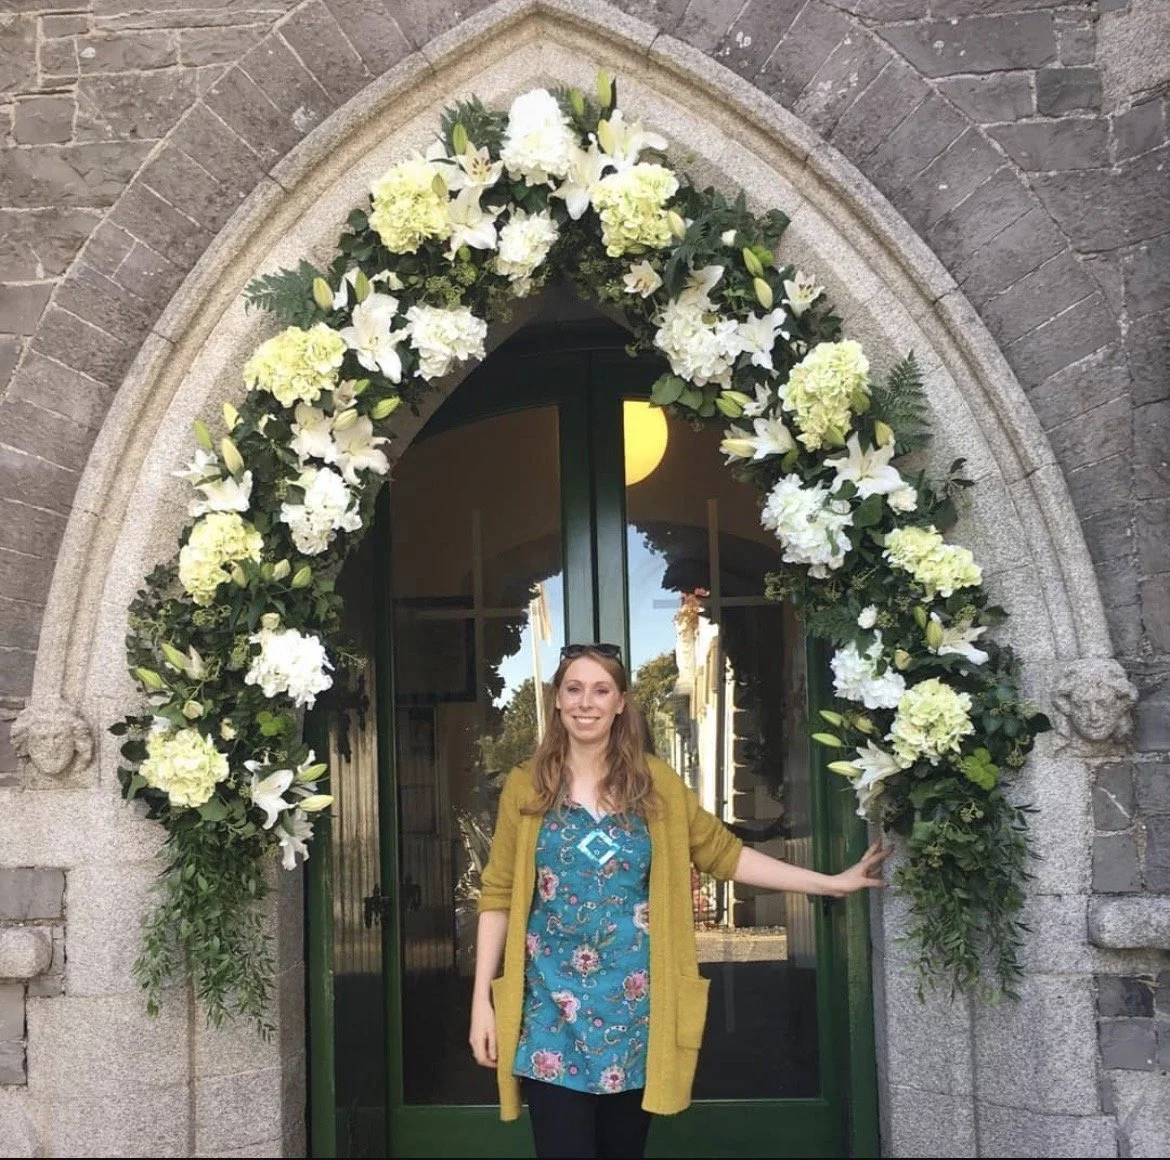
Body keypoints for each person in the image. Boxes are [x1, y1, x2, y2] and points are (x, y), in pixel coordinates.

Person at [469, 643, 890, 1159]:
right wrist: (481, 1004)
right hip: (548, 1014)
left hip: (637, 1014)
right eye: (574, 689)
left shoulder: (655, 786)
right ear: (557, 700)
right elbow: (499, 892)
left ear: (621, 701)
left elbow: (723, 854)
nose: (586, 702)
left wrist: (829, 883)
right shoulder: (526, 787)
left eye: (601, 690)